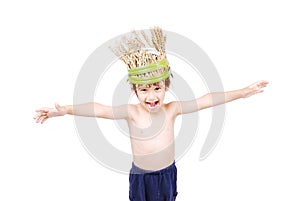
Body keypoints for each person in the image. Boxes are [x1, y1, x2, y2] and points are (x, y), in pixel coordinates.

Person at [34, 27, 268, 201]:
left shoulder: (172, 109)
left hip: (167, 173)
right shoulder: (131, 112)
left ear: (166, 87)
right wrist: (64, 110)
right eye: (144, 89)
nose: (151, 95)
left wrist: (244, 92)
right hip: (141, 177)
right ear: (134, 90)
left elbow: (206, 100)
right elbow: (99, 109)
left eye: (157, 88)